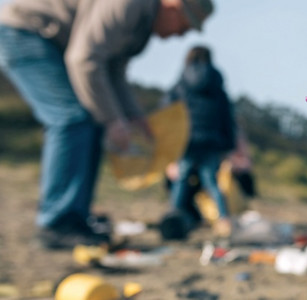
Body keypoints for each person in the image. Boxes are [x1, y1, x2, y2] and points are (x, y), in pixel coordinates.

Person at [0, 0, 214, 249]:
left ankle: (76, 218)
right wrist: (113, 120)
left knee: (91, 121)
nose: (181, 34)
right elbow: (84, 59)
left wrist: (134, 117)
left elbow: (112, 72)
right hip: (25, 32)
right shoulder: (128, 5)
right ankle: (57, 221)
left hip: (56, 44)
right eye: (186, 25)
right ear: (173, 5)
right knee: (72, 120)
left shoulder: (140, 29)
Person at [159, 45, 238, 240]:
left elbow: (167, 113)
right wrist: (228, 146)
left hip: (186, 141)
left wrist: (167, 148)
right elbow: (227, 117)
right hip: (211, 141)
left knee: (181, 180)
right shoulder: (217, 87)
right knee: (211, 181)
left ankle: (174, 216)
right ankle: (224, 220)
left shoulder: (181, 84)